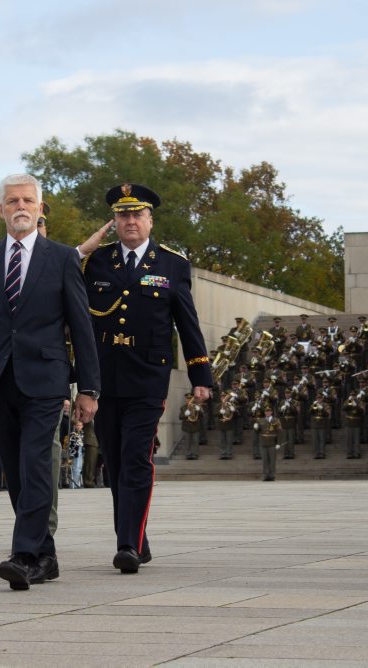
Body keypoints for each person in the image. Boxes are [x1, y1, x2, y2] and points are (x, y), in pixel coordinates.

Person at [0, 173, 99, 591]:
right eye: (12, 200)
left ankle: (24, 555)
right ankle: (45, 556)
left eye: (27, 200)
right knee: (16, 470)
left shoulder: (63, 258)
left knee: (36, 462)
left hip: (46, 378)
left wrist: (89, 388)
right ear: (0, 209)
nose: (20, 206)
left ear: (39, 208)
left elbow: (81, 328)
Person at [77, 182, 212, 574]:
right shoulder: (94, 262)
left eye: (137, 214)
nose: (130, 221)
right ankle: (137, 537)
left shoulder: (171, 263)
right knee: (115, 460)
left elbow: (187, 322)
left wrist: (200, 372)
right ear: (113, 222)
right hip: (103, 378)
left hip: (148, 378)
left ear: (150, 220)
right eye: (123, 215)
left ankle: (127, 546)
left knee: (137, 457)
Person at [255, 405, 281, 481]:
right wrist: (256, 427)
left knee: (272, 460)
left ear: (271, 412)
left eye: (269, 411)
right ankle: (266, 475)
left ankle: (272, 475)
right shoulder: (261, 420)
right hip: (263, 442)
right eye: (266, 411)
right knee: (265, 460)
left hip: (272, 442)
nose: (267, 413)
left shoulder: (276, 420)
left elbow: (279, 432)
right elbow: (258, 431)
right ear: (265, 412)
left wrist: (278, 443)